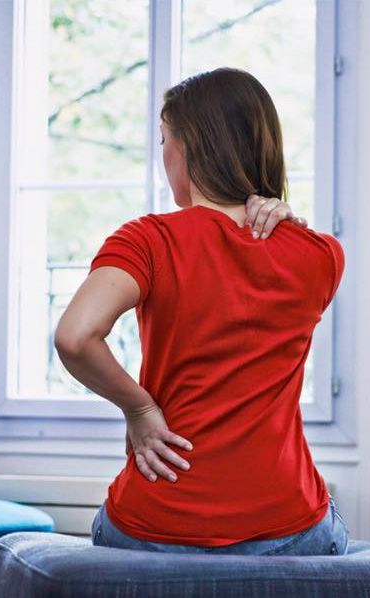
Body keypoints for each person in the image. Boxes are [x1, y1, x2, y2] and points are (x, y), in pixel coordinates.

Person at [54, 67, 348, 556]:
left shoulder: (149, 239)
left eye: (163, 139)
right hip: (287, 526)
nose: (162, 153)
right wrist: (288, 219)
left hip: (154, 525)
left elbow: (75, 336)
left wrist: (140, 409)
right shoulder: (321, 255)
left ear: (188, 148)